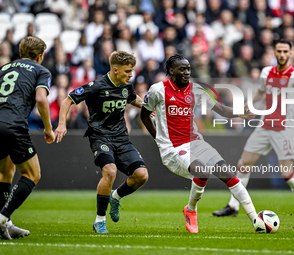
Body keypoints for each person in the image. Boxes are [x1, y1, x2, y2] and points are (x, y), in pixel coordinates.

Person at [141, 53, 258, 233]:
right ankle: (191, 209)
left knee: (228, 174)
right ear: (171, 71)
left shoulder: (196, 90)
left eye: (188, 69)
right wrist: (158, 139)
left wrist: (239, 113)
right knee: (202, 171)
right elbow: (144, 114)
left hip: (196, 142)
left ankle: (256, 220)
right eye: (182, 69)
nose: (187, 72)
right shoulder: (158, 90)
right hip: (173, 147)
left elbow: (220, 109)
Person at [212, 39, 294, 218]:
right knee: (243, 163)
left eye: (285, 52)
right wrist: (248, 103)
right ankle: (233, 206)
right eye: (279, 51)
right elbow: (261, 91)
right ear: (274, 52)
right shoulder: (267, 72)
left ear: (291, 54)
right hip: (265, 125)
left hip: (285, 127)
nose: (282, 55)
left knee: (286, 172)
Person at [55, 51, 149, 234]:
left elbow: (133, 99)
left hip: (121, 138)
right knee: (110, 171)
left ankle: (116, 197)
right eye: (128, 71)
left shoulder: (126, 86)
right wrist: (61, 124)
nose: (131, 75)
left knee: (142, 176)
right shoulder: (96, 86)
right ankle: (100, 220)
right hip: (100, 136)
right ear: (115, 70)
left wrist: (149, 107)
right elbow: (68, 100)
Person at [0, 36, 55, 239]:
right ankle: (3, 217)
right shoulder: (42, 70)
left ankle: (7, 223)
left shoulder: (4, 68)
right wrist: (48, 128)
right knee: (32, 174)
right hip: (14, 124)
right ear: (39, 56)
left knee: (5, 173)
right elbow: (41, 98)